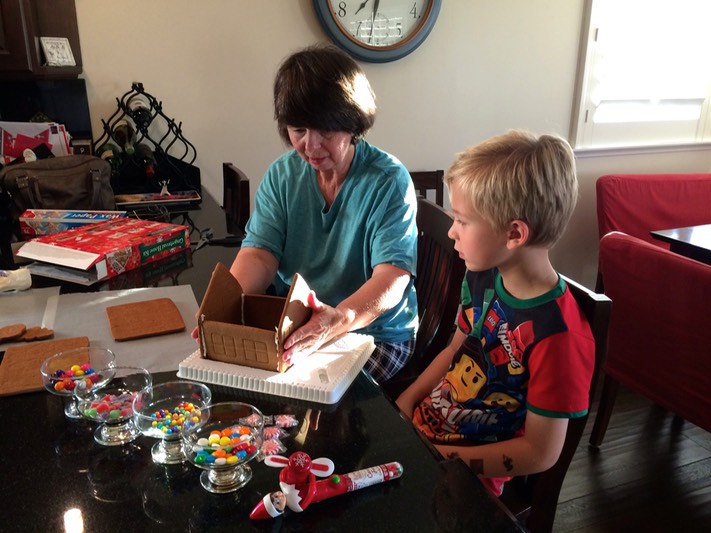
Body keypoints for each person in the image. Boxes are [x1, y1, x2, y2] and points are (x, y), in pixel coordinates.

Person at [395, 130, 594, 496]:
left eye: (462, 220)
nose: (452, 232)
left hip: (467, 481)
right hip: (425, 434)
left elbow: (540, 452)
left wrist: (441, 456)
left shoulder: (559, 335)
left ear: (514, 233)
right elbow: (454, 350)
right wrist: (405, 402)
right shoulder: (482, 276)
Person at [223, 44, 418, 383]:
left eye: (325, 131)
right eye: (298, 131)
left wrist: (338, 319)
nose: (310, 147)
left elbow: (392, 277)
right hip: (300, 322)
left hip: (373, 332)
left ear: (352, 122)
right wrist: (226, 306)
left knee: (314, 403)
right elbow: (260, 255)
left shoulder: (388, 180)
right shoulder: (282, 175)